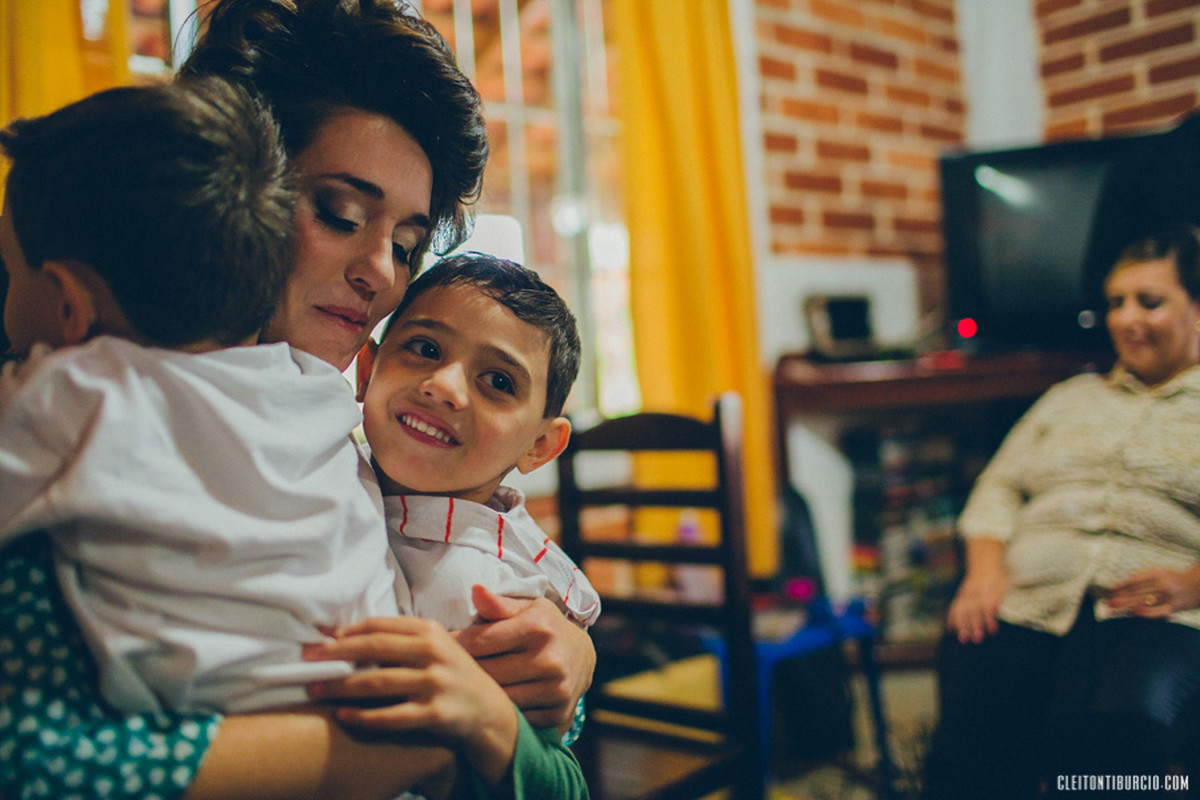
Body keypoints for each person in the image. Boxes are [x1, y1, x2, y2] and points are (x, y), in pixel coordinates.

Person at [0, 1, 594, 798]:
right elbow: (32, 763)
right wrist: (433, 748)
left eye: (407, 247)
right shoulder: (75, 412)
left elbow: (556, 774)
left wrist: (567, 651)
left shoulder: (353, 446)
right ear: (235, 195)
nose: (380, 272)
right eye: (339, 214)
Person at [302, 253, 599, 793]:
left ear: (538, 445)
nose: (443, 386)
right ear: (367, 371)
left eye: (498, 381)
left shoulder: (502, 598)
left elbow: (551, 780)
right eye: (425, 349)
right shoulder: (316, 456)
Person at [923, 224, 1200, 800]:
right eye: (1116, 303)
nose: (1126, 319)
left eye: (1149, 301)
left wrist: (1195, 583)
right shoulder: (1068, 398)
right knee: (972, 725)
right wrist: (983, 570)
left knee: (1120, 731)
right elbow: (999, 486)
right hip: (1028, 599)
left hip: (1158, 614)